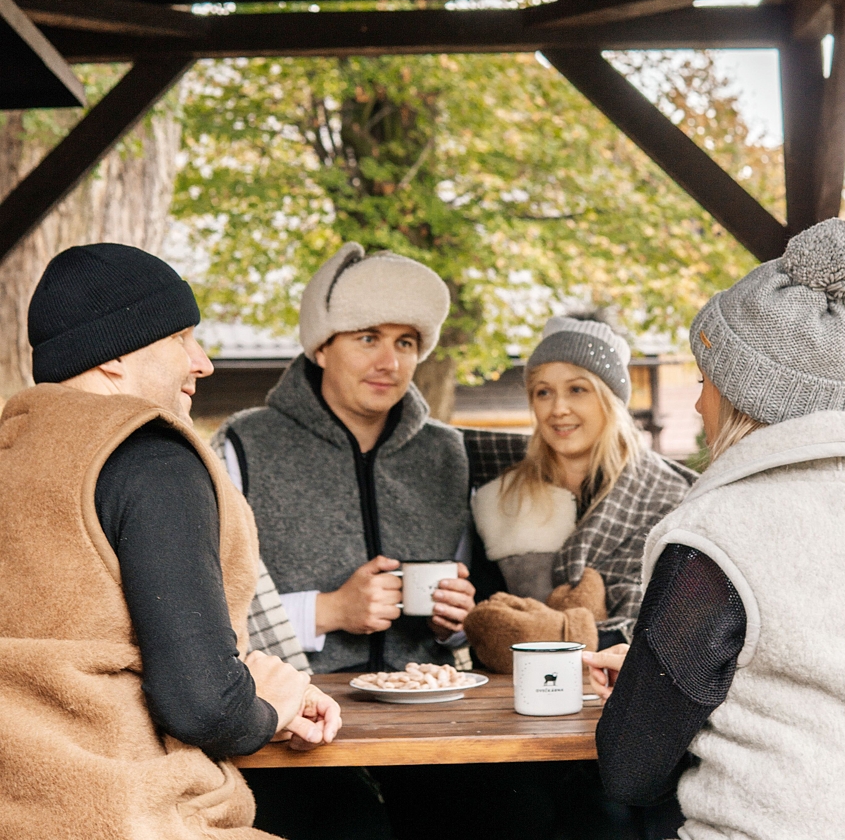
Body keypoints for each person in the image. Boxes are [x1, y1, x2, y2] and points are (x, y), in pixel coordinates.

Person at [585, 218, 845, 839]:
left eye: (703, 381)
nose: (697, 404)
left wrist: (644, 688)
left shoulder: (715, 535)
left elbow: (632, 767)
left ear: (744, 395)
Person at [0, 243, 341, 840]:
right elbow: (202, 704)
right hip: (125, 812)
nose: (203, 362)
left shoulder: (15, 454)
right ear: (114, 357)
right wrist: (269, 705)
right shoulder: (151, 458)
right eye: (183, 337)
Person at [215, 242, 481, 840]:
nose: (389, 360)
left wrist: (453, 622)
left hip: (435, 727)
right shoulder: (243, 448)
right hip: (296, 726)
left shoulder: (446, 454)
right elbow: (213, 613)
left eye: (406, 342)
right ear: (321, 345)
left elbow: (465, 606)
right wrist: (330, 610)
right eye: (367, 337)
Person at [464, 315, 696, 670]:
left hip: (627, 684)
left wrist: (559, 634)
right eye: (543, 392)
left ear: (610, 399)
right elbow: (484, 612)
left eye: (577, 389)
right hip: (510, 692)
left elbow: (674, 623)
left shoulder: (668, 497)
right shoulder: (501, 498)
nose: (558, 409)